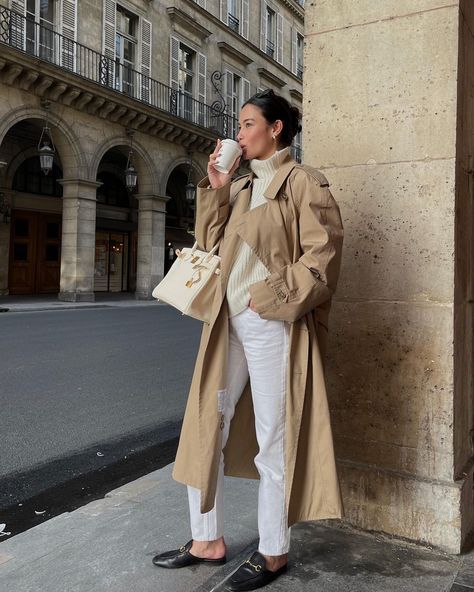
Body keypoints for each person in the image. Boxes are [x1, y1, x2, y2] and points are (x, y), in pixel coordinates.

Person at [152, 89, 345, 591]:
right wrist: (215, 187)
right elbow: (209, 246)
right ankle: (205, 540)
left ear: (276, 128)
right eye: (238, 126)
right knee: (203, 427)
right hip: (226, 324)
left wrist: (272, 295)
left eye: (248, 124)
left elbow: (323, 259)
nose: (238, 134)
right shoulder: (238, 187)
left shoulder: (303, 183)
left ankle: (274, 551)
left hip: (271, 324)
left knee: (273, 441)